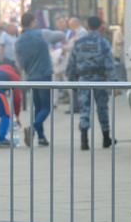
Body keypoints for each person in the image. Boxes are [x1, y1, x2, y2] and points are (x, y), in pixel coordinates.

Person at [65, 16, 119, 150]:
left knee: (85, 109)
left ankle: (84, 141)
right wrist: (114, 84)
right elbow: (110, 65)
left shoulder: (79, 42)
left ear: (87, 26)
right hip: (100, 80)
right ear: (100, 26)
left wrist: (72, 80)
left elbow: (71, 63)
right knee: (102, 108)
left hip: (83, 80)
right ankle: (106, 138)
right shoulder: (103, 42)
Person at [14, 12, 65, 147]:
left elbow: (19, 63)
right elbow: (61, 35)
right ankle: (34, 127)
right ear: (32, 22)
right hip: (44, 75)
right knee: (46, 106)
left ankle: (41, 137)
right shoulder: (42, 34)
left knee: (38, 107)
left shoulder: (18, 41)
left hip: (30, 76)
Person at [62, 17, 88, 114]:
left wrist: (64, 47)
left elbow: (74, 46)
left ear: (74, 24)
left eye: (70, 26)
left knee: (74, 85)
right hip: (74, 62)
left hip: (77, 63)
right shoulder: (77, 33)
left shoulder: (81, 33)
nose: (70, 28)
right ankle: (75, 105)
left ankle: (77, 106)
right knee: (73, 85)